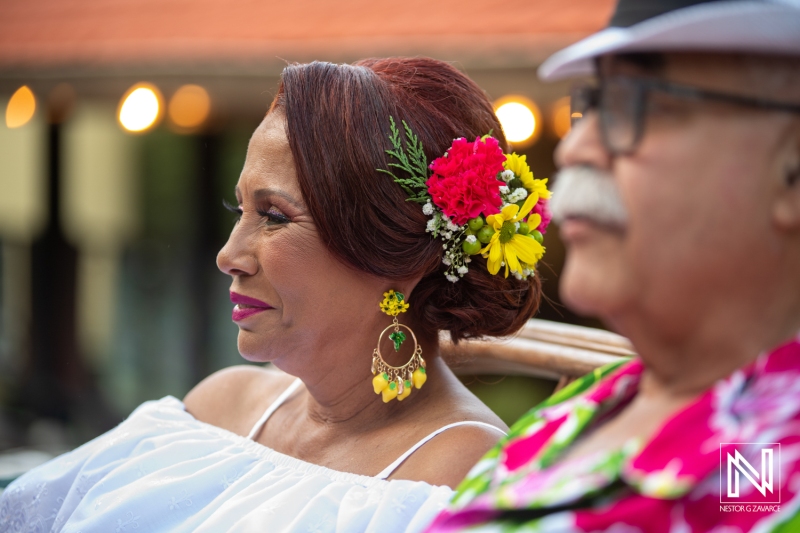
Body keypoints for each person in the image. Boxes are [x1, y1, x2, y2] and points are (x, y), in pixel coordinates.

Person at [0, 57, 553, 532]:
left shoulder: (462, 478)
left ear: (398, 257)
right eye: (237, 210)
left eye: (272, 216)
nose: (228, 255)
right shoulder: (216, 408)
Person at [426, 0, 800, 531]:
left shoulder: (767, 469)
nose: (576, 146)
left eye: (635, 104)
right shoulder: (585, 406)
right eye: (593, 105)